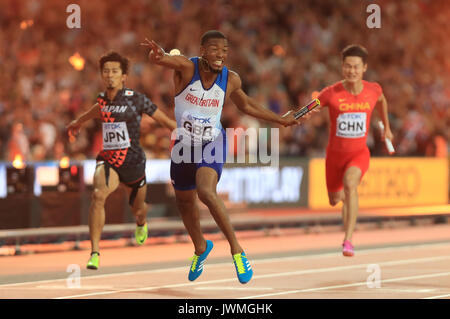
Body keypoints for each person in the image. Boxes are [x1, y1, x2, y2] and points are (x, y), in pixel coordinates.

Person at [141, 30, 301, 284]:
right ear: (203, 50)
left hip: (211, 142)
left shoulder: (231, 79)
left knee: (205, 191)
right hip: (183, 145)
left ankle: (237, 250)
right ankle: (200, 247)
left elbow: (246, 105)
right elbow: (162, 59)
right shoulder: (186, 67)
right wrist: (157, 55)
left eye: (225, 51)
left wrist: (279, 119)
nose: (221, 55)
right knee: (184, 203)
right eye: (215, 49)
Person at [67, 51, 176, 270]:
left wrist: (185, 132)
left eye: (115, 71)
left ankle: (141, 222)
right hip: (109, 160)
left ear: (124, 76)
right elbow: (98, 110)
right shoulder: (102, 99)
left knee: (138, 209)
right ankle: (95, 252)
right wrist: (78, 122)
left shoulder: (137, 99)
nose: (110, 75)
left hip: (134, 163)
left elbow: (163, 119)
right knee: (98, 195)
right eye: (106, 71)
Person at [316, 44, 393, 257]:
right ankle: (348, 206)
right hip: (334, 156)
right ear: (342, 67)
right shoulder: (331, 93)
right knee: (334, 199)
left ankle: (348, 240)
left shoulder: (373, 89)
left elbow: (382, 100)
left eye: (356, 67)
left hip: (358, 154)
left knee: (351, 185)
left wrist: (387, 128)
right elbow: (311, 105)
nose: (352, 71)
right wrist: (298, 116)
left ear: (364, 68)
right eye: (348, 66)